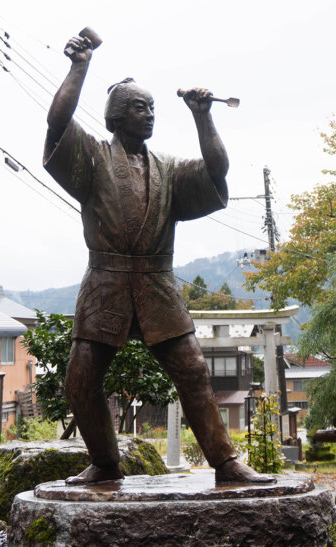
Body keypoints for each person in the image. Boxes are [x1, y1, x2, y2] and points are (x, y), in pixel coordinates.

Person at [44, 31, 272, 485]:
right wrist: (80, 67)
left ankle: (226, 462)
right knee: (81, 378)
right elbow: (56, 126)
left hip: (157, 284)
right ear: (115, 116)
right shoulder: (91, 158)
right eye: (138, 107)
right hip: (105, 282)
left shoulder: (169, 169)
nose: (149, 114)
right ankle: (105, 463)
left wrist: (203, 119)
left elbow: (216, 172)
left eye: (151, 107)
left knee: (193, 372)